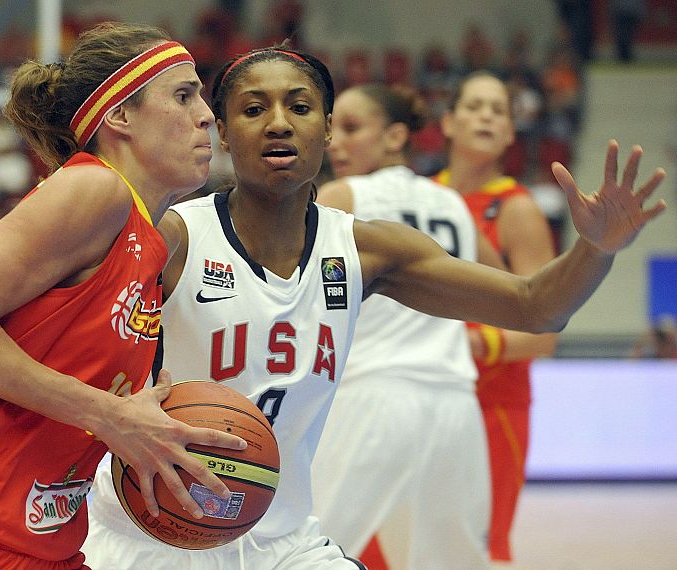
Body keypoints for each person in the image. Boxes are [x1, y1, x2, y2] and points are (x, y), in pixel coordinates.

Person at [81, 44, 666, 570]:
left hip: (285, 539)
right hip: (155, 531)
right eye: (254, 109)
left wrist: (597, 248)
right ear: (224, 134)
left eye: (300, 107)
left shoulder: (367, 247)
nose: (279, 123)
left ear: (329, 130)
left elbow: (537, 306)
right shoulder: (174, 236)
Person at [0, 22, 247, 569]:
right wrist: (111, 416)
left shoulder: (147, 240)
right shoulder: (94, 189)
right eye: (183, 95)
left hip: (40, 545)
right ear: (119, 115)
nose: (206, 116)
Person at [308, 82, 491, 569]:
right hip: (455, 404)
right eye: (331, 130)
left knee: (304, 548)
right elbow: (495, 279)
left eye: (350, 128)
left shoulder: (342, 194)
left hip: (372, 396)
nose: (334, 143)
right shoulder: (453, 203)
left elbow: (307, 301)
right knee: (453, 561)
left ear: (393, 137)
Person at [432, 69, 559, 563]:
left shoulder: (518, 209)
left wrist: (472, 345)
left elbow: (544, 333)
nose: (486, 116)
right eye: (474, 106)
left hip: (492, 404)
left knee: (482, 545)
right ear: (448, 122)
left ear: (510, 132)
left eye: (498, 110)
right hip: (424, 396)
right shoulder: (420, 198)